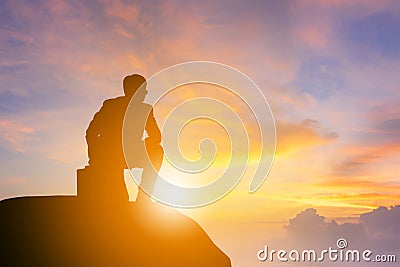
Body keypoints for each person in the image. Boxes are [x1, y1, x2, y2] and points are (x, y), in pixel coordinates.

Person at [86, 74, 163, 203]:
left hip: (132, 153)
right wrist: (94, 156)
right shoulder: (110, 106)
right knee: (120, 198)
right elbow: (91, 132)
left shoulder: (146, 109)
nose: (145, 93)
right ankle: (121, 197)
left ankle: (144, 197)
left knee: (157, 151)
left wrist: (150, 142)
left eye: (145, 90)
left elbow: (156, 137)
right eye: (143, 90)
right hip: (109, 154)